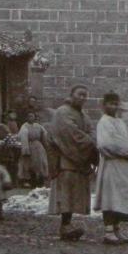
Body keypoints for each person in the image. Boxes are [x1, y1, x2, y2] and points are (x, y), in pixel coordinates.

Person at [47, 84, 98, 241]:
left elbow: (91, 131)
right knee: (66, 193)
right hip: (65, 159)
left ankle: (68, 224)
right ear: (71, 95)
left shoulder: (83, 115)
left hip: (78, 160)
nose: (82, 98)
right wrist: (89, 141)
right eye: (79, 94)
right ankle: (65, 225)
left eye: (85, 95)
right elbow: (69, 133)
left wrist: (91, 142)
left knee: (75, 193)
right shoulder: (62, 112)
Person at [94, 91, 128, 244]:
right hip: (112, 165)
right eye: (110, 104)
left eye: (116, 104)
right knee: (111, 197)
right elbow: (106, 144)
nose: (114, 107)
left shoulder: (120, 122)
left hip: (124, 168)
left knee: (120, 198)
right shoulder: (104, 122)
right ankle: (108, 232)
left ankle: (117, 229)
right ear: (104, 105)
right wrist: (126, 151)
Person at [18, 111, 50, 187]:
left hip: (38, 146)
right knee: (30, 164)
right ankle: (31, 181)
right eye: (29, 116)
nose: (31, 118)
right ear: (26, 118)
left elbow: (44, 135)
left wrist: (47, 144)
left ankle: (41, 180)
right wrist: (26, 150)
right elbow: (23, 138)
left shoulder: (38, 126)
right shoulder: (24, 126)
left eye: (32, 116)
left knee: (41, 162)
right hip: (30, 146)